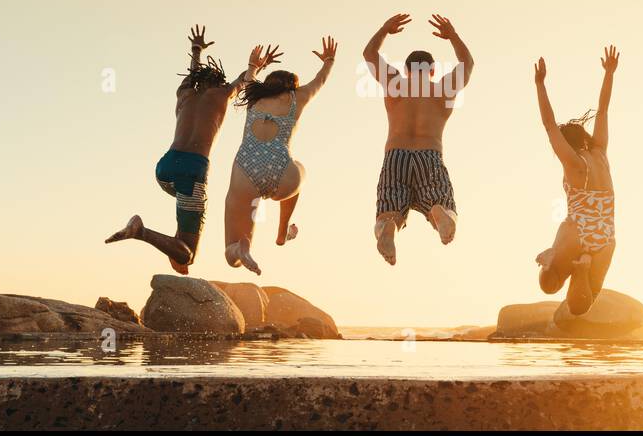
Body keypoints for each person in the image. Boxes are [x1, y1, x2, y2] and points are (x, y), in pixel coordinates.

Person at [105, 26, 281, 275]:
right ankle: (141, 231)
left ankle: (175, 245)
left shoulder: (184, 93)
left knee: (185, 215)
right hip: (192, 171)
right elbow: (244, 81)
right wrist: (255, 66)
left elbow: (192, 74)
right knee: (188, 253)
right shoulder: (222, 94)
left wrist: (196, 50)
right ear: (218, 81)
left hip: (164, 169)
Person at [362, 14, 474, 264]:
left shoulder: (394, 83)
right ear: (433, 70)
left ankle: (389, 227)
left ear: (406, 69)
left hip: (395, 156)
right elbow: (467, 63)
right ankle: (438, 213)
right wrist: (452, 35)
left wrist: (384, 29)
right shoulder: (443, 88)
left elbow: (369, 54)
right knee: (447, 208)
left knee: (386, 215)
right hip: (429, 156)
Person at [223, 36, 338, 274]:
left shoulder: (255, 97)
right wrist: (328, 61)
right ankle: (282, 231)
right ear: (292, 86)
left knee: (230, 255)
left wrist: (254, 64)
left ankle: (241, 249)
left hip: (245, 169)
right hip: (282, 171)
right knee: (299, 168)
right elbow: (320, 80)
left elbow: (250, 76)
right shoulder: (298, 98)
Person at [533, 46, 618, 315]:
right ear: (584, 137)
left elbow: (548, 125)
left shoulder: (573, 164)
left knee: (549, 284)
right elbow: (603, 111)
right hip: (606, 236)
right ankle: (582, 268)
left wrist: (540, 84)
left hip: (576, 232)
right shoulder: (601, 153)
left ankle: (554, 258)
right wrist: (609, 73)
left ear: (569, 144)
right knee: (581, 305)